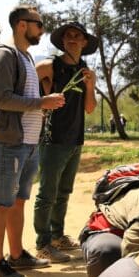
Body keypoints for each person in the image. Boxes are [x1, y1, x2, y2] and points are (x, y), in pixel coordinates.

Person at [0, 5, 67, 277]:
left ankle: (17, 254)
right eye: (39, 24)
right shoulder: (4, 54)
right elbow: (0, 98)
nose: (42, 29)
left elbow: (26, 100)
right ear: (22, 25)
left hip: (30, 144)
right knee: (1, 204)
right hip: (11, 144)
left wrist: (43, 107)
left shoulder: (27, 56)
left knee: (18, 202)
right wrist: (40, 103)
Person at [32, 21, 99, 263]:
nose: (72, 39)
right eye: (68, 35)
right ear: (62, 41)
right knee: (47, 193)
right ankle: (43, 243)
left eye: (77, 36)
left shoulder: (84, 71)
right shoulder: (50, 66)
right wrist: (37, 103)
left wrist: (90, 84)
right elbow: (25, 82)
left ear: (84, 42)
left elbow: (90, 108)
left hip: (75, 139)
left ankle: (58, 236)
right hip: (52, 138)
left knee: (64, 192)